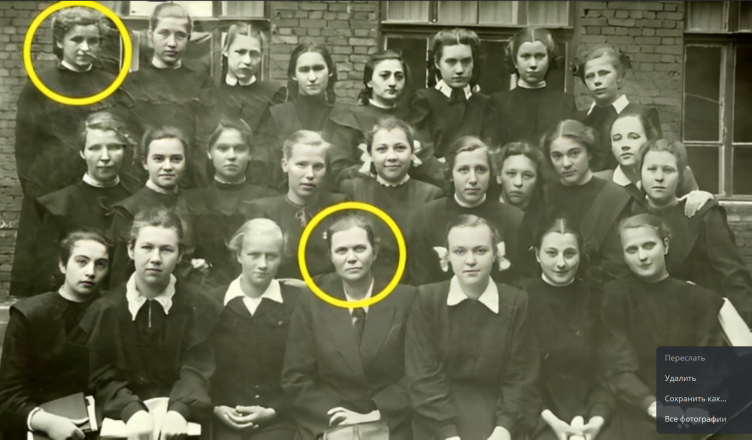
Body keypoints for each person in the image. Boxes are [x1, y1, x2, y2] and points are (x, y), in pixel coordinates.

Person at [80, 212, 221, 439]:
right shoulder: (107, 309)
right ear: (130, 250)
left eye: (166, 250)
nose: (155, 258)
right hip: (123, 416)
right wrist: (131, 411)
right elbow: (102, 375)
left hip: (184, 415)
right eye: (147, 247)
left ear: (180, 255)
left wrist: (179, 410)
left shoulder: (200, 305)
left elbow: (198, 368)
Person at [12, 6, 118, 297]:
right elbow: (25, 147)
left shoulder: (109, 84)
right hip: (51, 191)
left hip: (96, 192)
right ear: (60, 41)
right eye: (76, 40)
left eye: (93, 40)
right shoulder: (40, 84)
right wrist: (41, 198)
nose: (85, 47)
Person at [282, 213, 415, 440]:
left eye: (359, 249)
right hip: (330, 423)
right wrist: (338, 419)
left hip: (388, 421)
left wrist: (377, 413)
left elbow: (416, 372)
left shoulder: (405, 299)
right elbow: (296, 377)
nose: (351, 258)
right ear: (331, 257)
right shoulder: (312, 301)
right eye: (341, 251)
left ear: (374, 252)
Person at [406, 215, 539, 440]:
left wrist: (504, 429)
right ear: (447, 256)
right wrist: (448, 434)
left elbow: (521, 376)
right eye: (460, 251)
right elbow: (422, 376)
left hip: (499, 420)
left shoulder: (517, 302)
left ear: (495, 254)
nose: (470, 261)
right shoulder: (427, 299)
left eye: (480, 251)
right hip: (438, 421)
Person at [600, 213, 724, 439]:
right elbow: (618, 367)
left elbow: (710, 364)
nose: (642, 257)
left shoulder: (699, 299)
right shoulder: (615, 296)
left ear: (665, 245)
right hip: (637, 406)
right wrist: (652, 406)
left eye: (649, 246)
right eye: (632, 250)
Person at [0, 231, 110, 440]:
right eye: (81, 261)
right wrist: (47, 423)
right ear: (63, 265)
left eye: (100, 264)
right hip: (42, 427)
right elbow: (8, 395)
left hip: (103, 426)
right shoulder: (30, 314)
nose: (90, 272)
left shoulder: (113, 310)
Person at [631, 139, 752, 325]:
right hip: (641, 319)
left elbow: (732, 274)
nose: (659, 177)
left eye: (668, 170)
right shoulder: (628, 212)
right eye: (651, 169)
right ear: (640, 174)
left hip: (695, 322)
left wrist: (748, 323)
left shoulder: (702, 214)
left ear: (681, 175)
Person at [20, 112, 139, 295]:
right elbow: (44, 278)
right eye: (95, 148)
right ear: (82, 152)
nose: (105, 157)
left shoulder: (139, 203)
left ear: (125, 151)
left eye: (114, 147)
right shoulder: (55, 207)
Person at [525, 217, 620, 440]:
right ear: (537, 254)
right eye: (551, 253)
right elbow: (519, 376)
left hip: (595, 412)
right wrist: (553, 422)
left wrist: (596, 418)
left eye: (569, 254)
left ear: (580, 255)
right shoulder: (520, 300)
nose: (561, 264)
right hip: (539, 415)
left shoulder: (598, 299)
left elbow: (608, 369)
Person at [210, 219, 301, 440]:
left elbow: (308, 368)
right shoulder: (211, 302)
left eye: (272, 256)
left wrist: (275, 410)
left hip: (280, 419)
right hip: (222, 417)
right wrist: (214, 407)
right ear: (238, 255)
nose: (263, 264)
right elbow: (198, 365)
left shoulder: (298, 302)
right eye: (254, 255)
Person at [114, 2, 215, 188]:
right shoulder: (131, 83)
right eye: (164, 33)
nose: (172, 43)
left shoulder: (201, 82)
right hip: (141, 182)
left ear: (188, 39)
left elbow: (204, 142)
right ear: (150, 35)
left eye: (180, 35)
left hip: (188, 182)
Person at [407, 137, 524, 286]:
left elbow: (520, 281)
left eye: (480, 170)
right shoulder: (426, 217)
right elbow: (421, 281)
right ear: (451, 174)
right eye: (463, 170)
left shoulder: (515, 220)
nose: (473, 179)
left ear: (491, 174)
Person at [337, 119, 444, 280]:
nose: (392, 156)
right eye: (382, 149)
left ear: (412, 152)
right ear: (370, 155)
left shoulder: (430, 195)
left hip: (413, 287)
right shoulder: (353, 191)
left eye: (400, 148)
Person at [239, 130, 347, 280]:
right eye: (301, 164)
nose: (310, 174)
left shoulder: (340, 207)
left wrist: (311, 287)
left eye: (318, 166)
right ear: (285, 165)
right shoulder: (263, 212)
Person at [328, 50, 444, 188]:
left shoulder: (415, 116)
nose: (393, 83)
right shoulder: (350, 119)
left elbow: (428, 164)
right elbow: (338, 171)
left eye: (399, 77)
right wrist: (372, 167)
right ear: (369, 81)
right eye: (384, 76)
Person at [539, 119, 631, 286]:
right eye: (557, 156)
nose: (566, 163)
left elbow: (619, 262)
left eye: (574, 153)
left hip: (600, 290)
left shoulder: (615, 197)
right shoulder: (543, 195)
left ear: (589, 153)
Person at [190, 119, 280, 287]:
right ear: (209, 152)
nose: (231, 156)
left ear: (250, 153)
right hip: (206, 291)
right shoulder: (192, 201)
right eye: (222, 148)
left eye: (239, 148)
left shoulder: (269, 199)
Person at [108, 126, 197, 288]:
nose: (168, 166)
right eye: (159, 159)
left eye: (176, 159)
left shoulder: (195, 205)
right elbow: (118, 276)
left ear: (185, 162)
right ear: (145, 162)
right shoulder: (128, 210)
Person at [203, 23, 285, 186]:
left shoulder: (274, 93)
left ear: (261, 56)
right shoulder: (208, 94)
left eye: (254, 54)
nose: (247, 61)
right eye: (240, 52)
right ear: (225, 51)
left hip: (259, 182)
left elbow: (274, 147)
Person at [259, 44, 339, 190]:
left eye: (318, 68)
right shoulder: (276, 115)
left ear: (330, 72)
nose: (312, 77)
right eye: (304, 70)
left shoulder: (344, 117)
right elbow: (266, 171)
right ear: (293, 75)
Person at [410, 28, 492, 161]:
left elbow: (491, 151)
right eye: (451, 62)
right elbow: (422, 153)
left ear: (473, 62)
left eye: (466, 61)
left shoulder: (485, 103)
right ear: (437, 63)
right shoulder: (424, 100)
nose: (459, 70)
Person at [575, 46, 662, 172]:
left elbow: (655, 161)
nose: (597, 81)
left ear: (619, 78)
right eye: (590, 76)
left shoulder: (642, 114)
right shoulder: (579, 119)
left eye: (604, 73)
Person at [487, 27, 577, 148]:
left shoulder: (565, 102)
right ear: (515, 61)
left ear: (549, 60)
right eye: (526, 56)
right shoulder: (497, 102)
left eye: (539, 56)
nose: (533, 64)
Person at [595, 110, 699, 199]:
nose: (624, 145)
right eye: (617, 139)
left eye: (633, 137)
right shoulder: (599, 181)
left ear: (649, 140)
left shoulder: (680, 175)